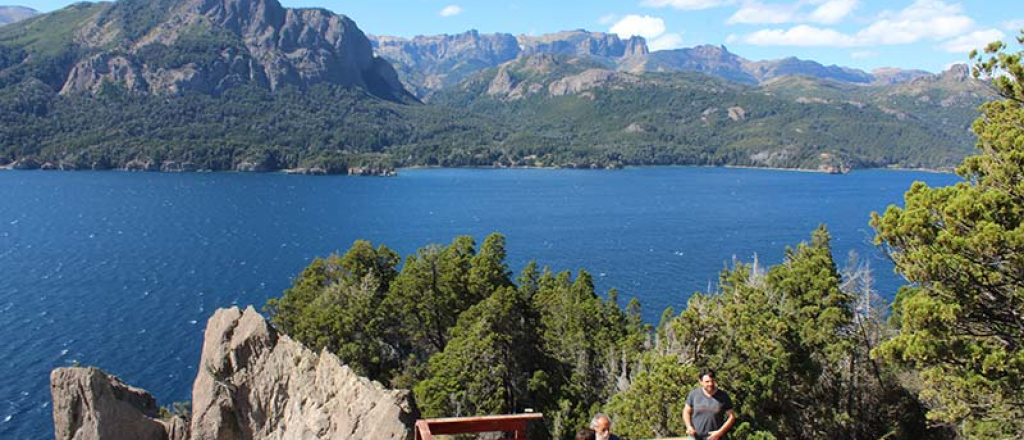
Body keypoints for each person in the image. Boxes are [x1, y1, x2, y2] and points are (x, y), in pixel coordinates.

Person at [683, 369, 735, 440]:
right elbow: (686, 411)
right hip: (695, 437)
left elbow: (731, 417)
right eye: (707, 382)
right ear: (700, 382)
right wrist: (689, 426)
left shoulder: (723, 396)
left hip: (716, 437)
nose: (710, 384)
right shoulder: (694, 394)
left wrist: (720, 432)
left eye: (712, 381)